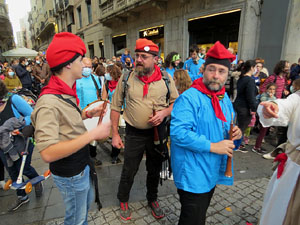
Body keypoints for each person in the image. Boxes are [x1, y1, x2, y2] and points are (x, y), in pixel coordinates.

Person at [31, 32, 111, 225]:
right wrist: (92, 134)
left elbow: (65, 121)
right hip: (71, 173)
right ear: (68, 63)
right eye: (80, 59)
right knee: (76, 219)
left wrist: (87, 114)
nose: (84, 64)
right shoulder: (48, 102)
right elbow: (48, 153)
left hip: (80, 166)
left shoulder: (64, 90)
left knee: (81, 213)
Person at [170, 41, 242, 225]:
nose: (215, 75)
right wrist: (213, 146)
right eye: (211, 69)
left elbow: (227, 122)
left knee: (198, 215)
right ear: (203, 69)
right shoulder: (189, 98)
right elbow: (178, 133)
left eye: (221, 71)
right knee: (192, 218)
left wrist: (236, 133)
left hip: (211, 169)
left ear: (227, 74)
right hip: (193, 173)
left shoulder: (223, 96)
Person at [111, 38, 179, 221]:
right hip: (134, 133)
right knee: (129, 168)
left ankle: (152, 199)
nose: (139, 59)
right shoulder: (126, 77)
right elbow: (115, 106)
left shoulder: (166, 78)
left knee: (154, 168)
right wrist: (115, 134)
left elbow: (176, 102)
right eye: (137, 55)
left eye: (144, 56)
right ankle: (123, 199)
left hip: (157, 134)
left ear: (155, 58)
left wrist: (164, 112)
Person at [257, 92, 300, 225]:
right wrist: (273, 107)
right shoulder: (298, 98)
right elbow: (285, 106)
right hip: (295, 171)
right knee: (284, 211)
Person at [0, 80, 43, 211]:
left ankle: (36, 180)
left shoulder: (14, 99)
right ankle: (22, 197)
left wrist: (20, 126)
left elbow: (31, 114)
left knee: (23, 168)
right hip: (3, 144)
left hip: (21, 141)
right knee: (11, 169)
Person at [76, 57, 103, 166]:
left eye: (89, 67)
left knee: (93, 137)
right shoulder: (75, 78)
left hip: (93, 113)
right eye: (85, 67)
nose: (87, 69)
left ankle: (92, 156)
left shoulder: (95, 79)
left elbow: (100, 93)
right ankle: (82, 158)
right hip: (79, 113)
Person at [233, 60, 258, 152]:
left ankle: (236, 144)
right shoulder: (250, 80)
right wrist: (254, 108)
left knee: (237, 126)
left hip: (238, 104)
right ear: (252, 67)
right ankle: (236, 145)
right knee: (241, 128)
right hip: (245, 107)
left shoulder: (241, 78)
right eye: (256, 67)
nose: (257, 69)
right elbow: (250, 96)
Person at [101, 64, 123, 164]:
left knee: (120, 132)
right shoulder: (106, 83)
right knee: (114, 132)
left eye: (108, 72)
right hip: (111, 111)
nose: (106, 74)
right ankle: (114, 155)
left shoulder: (121, 82)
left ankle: (117, 152)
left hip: (122, 111)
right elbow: (104, 98)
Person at [252, 83, 277, 155]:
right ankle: (256, 147)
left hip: (269, 116)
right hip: (263, 116)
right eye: (270, 89)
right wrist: (271, 97)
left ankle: (258, 145)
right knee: (262, 131)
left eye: (273, 89)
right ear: (267, 89)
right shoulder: (264, 96)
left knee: (264, 131)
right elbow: (265, 102)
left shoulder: (274, 97)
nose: (272, 91)